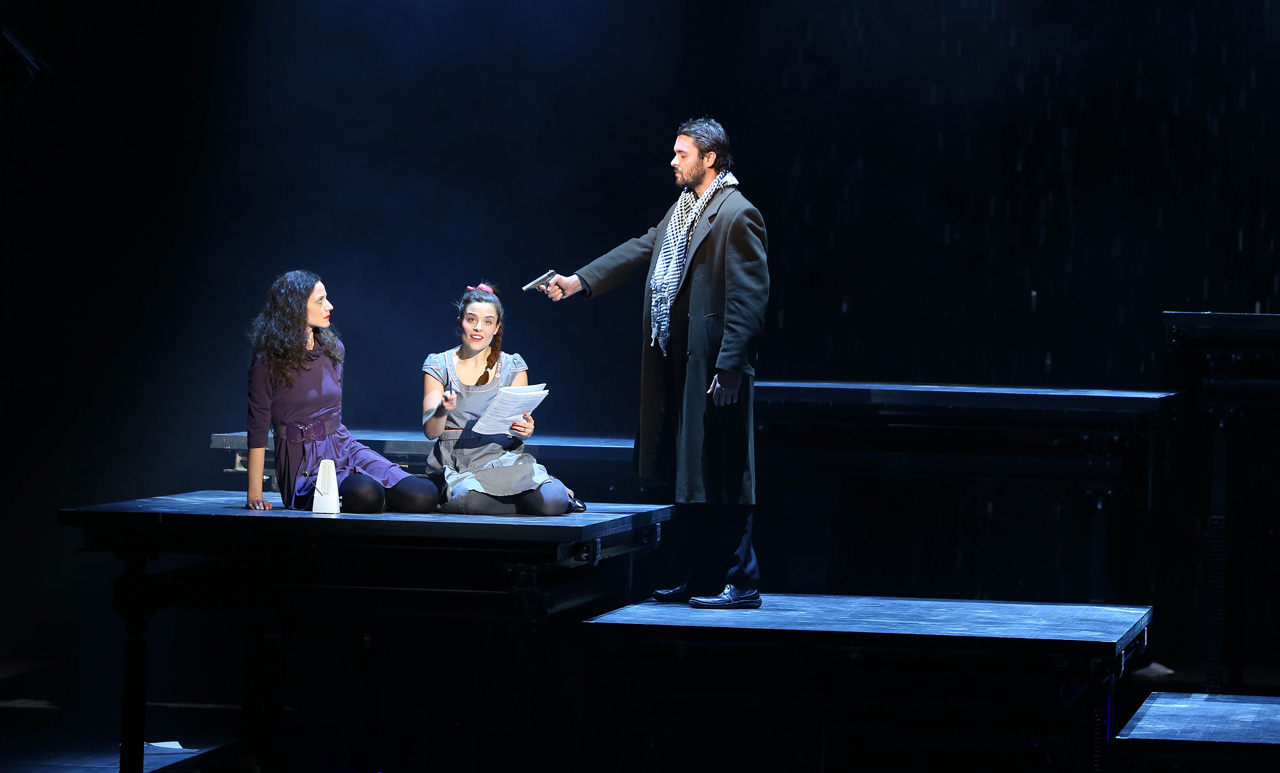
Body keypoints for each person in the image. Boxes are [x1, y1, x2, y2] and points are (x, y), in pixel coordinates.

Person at [540, 117, 769, 609]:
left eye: (682, 154)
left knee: (726, 470)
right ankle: (701, 577)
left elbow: (749, 299)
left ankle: (742, 581)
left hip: (714, 366)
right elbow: (644, 246)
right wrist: (579, 281)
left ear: (710, 159)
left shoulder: (737, 213)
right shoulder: (685, 209)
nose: (673, 161)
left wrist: (731, 365)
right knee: (692, 473)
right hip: (681, 363)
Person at [246, 270, 440, 513]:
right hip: (302, 461)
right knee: (366, 493)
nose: (329, 306)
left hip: (341, 445)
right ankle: (368, 500)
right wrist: (255, 494)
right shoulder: (268, 362)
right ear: (295, 308)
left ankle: (376, 499)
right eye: (320, 301)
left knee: (423, 495)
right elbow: (258, 427)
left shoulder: (333, 350)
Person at [421, 283, 580, 516]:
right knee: (471, 502)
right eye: (472, 319)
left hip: (503, 460)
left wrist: (525, 429)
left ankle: (541, 492)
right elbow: (431, 432)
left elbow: (518, 427)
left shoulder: (512, 366)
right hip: (461, 464)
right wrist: (442, 410)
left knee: (552, 502)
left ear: (496, 328)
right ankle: (526, 501)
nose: (478, 328)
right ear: (460, 322)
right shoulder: (439, 365)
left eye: (487, 322)